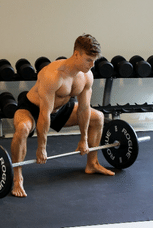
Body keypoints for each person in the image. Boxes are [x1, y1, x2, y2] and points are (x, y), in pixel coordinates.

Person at [11, 34, 115, 197]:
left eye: (94, 60)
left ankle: (92, 163)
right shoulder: (53, 75)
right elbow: (44, 114)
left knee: (98, 118)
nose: (92, 64)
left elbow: (83, 109)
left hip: (60, 109)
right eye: (88, 59)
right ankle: (17, 178)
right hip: (33, 108)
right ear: (76, 54)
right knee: (23, 129)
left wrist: (84, 139)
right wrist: (41, 148)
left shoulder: (87, 76)